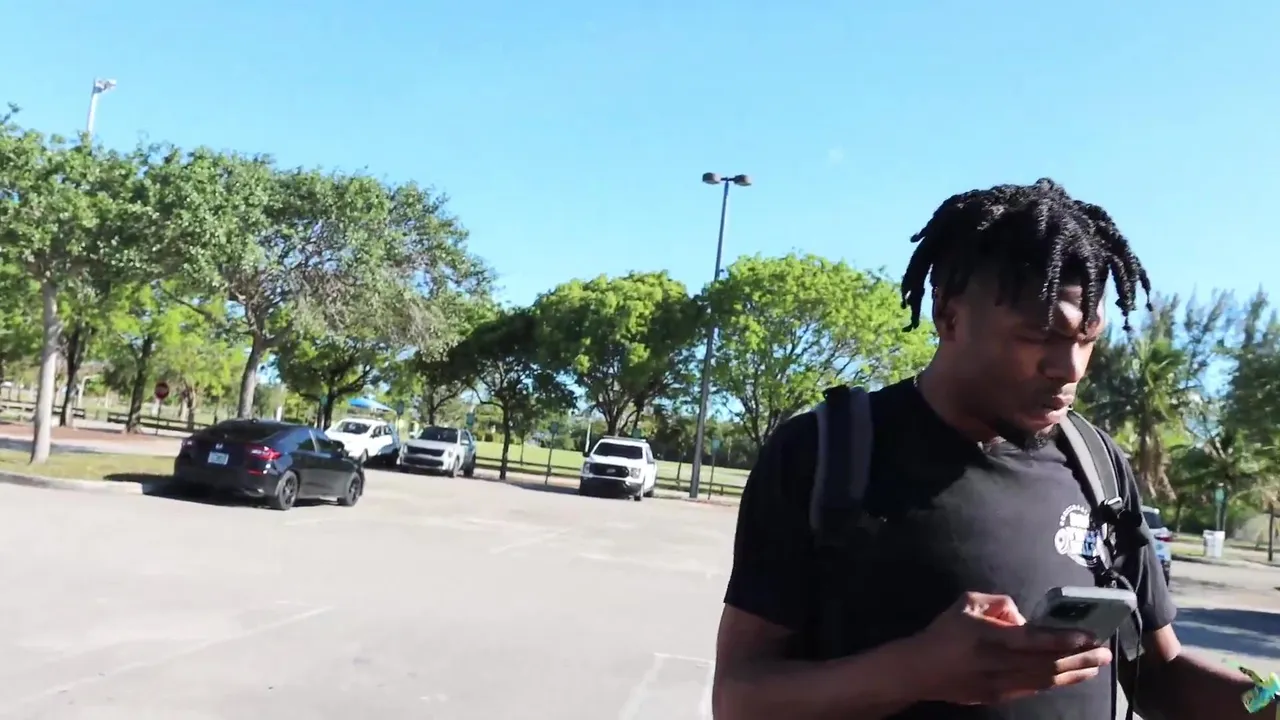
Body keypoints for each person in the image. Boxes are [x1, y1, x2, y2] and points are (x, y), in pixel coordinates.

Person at [712, 179, 1261, 719]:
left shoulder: (1098, 466)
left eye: (1087, 339)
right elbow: (739, 700)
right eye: (1038, 336)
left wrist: (1268, 703)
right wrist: (914, 670)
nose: (1068, 368)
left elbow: (1159, 674)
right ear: (949, 316)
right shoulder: (824, 453)